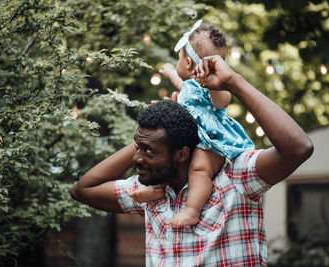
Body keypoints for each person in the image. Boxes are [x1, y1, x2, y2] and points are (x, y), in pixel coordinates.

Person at [70, 53, 314, 266]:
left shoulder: (235, 176)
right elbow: (83, 189)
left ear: (182, 154)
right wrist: (151, 134)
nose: (136, 158)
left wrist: (233, 83)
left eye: (149, 151)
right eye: (138, 146)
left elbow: (298, 148)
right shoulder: (151, 191)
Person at [129, 20, 254, 228]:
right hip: (192, 138)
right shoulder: (190, 86)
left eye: (179, 58)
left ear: (187, 63)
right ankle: (156, 189)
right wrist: (170, 73)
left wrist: (217, 84)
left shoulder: (215, 88)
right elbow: (183, 86)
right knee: (166, 156)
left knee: (198, 168)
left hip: (211, 142)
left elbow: (223, 100)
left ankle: (192, 210)